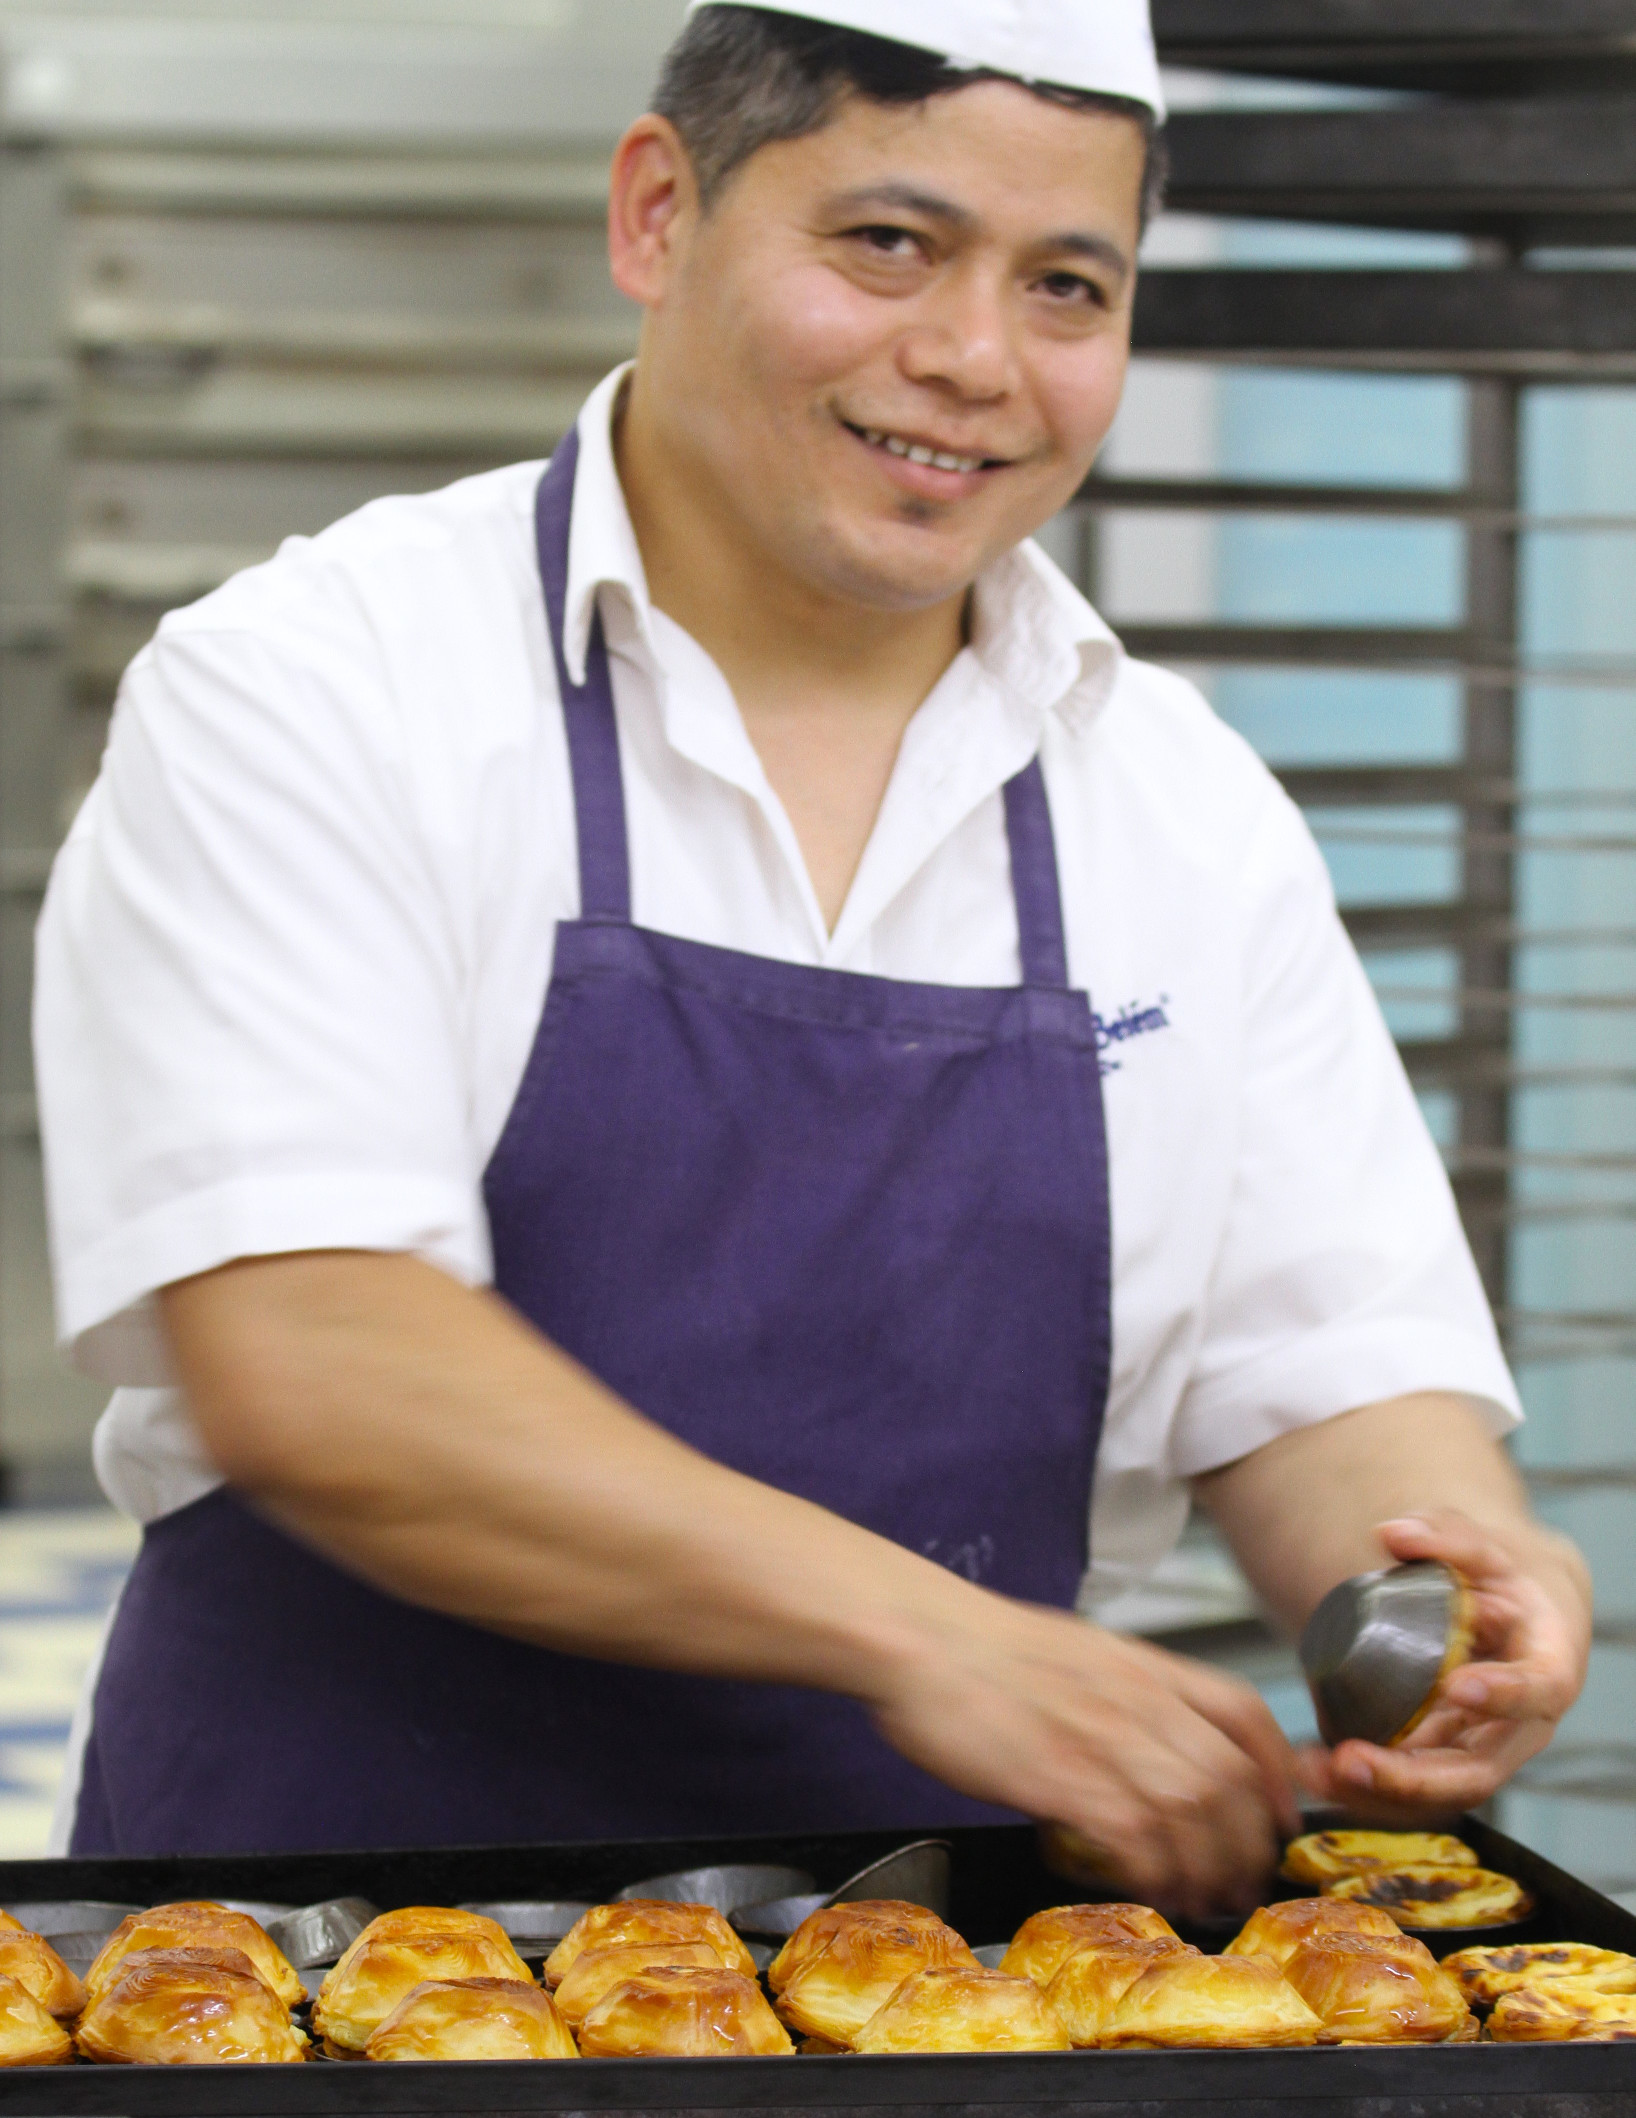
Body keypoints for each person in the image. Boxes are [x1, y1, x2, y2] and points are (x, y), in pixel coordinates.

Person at [34, 0, 1589, 1913]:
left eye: (1070, 287)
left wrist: (1448, 1583)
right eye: (888, 246)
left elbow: (1327, 1370)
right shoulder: (318, 691)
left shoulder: (1177, 803)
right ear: (658, 212)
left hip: (958, 2011)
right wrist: (934, 1636)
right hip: (297, 1981)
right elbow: (320, 1355)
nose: (970, 362)